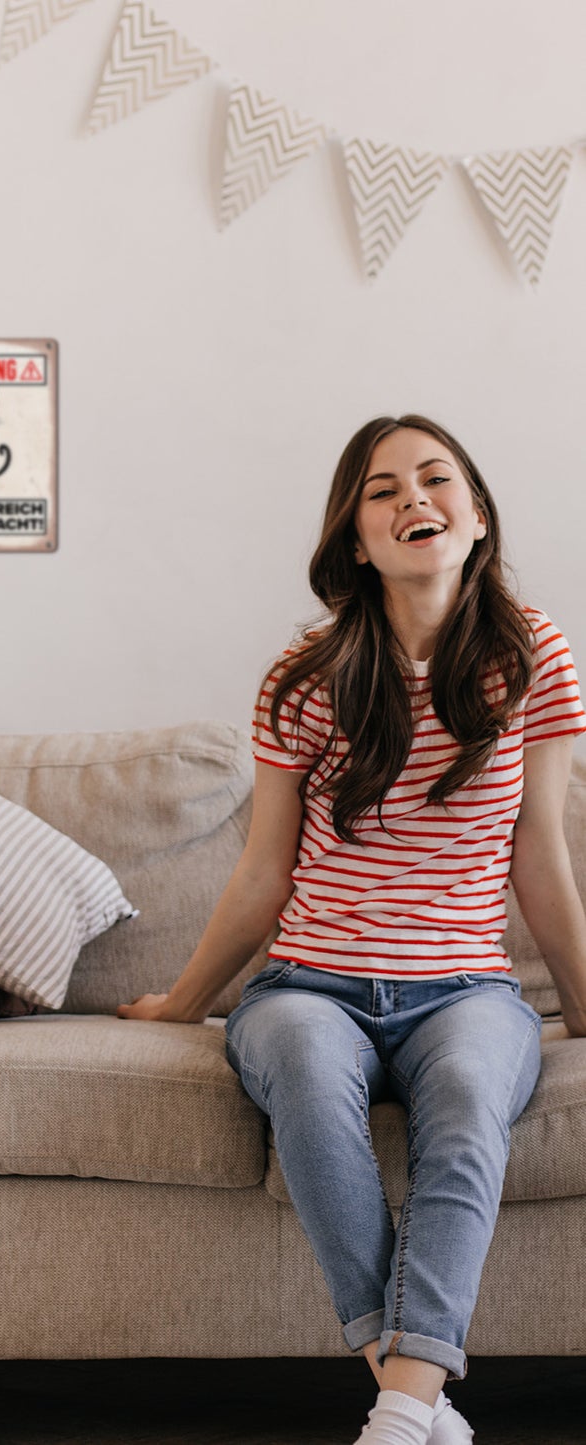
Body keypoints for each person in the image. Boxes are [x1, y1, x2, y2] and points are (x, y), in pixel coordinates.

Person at [117, 415, 586, 1445]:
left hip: (464, 990)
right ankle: (414, 1397)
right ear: (355, 537)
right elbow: (263, 871)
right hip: (306, 984)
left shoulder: (531, 653)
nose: (412, 498)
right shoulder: (305, 671)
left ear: (473, 518)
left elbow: (537, 853)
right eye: (382, 489)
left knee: (467, 1096)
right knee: (298, 1069)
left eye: (434, 478)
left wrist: (585, 1008)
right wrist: (183, 1003)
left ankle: (398, 1408)